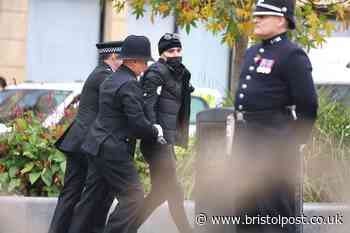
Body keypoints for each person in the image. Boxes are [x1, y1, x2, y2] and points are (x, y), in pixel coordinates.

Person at [232, 1, 318, 233]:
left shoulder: (292, 55)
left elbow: (308, 105)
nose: (256, 19)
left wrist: (292, 143)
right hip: (246, 144)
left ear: (281, 20)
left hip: (274, 145)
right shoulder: (252, 52)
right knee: (245, 213)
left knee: (275, 215)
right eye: (255, 15)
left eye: (262, 16)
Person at [68, 35, 165, 233]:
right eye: (144, 62)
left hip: (96, 146)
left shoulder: (111, 79)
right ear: (134, 61)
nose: (146, 67)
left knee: (90, 201)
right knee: (133, 197)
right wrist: (155, 131)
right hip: (114, 149)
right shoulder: (129, 83)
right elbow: (137, 123)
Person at [48, 41, 123, 233]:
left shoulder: (100, 73)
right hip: (85, 144)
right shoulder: (104, 75)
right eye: (123, 57)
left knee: (72, 193)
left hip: (79, 142)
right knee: (84, 194)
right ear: (113, 57)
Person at [134, 33, 194, 233]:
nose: (176, 54)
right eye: (171, 51)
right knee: (175, 191)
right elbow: (147, 106)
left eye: (178, 50)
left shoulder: (177, 73)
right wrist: (154, 131)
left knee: (160, 193)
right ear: (162, 54)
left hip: (165, 142)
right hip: (155, 142)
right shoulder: (156, 72)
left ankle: (126, 228)